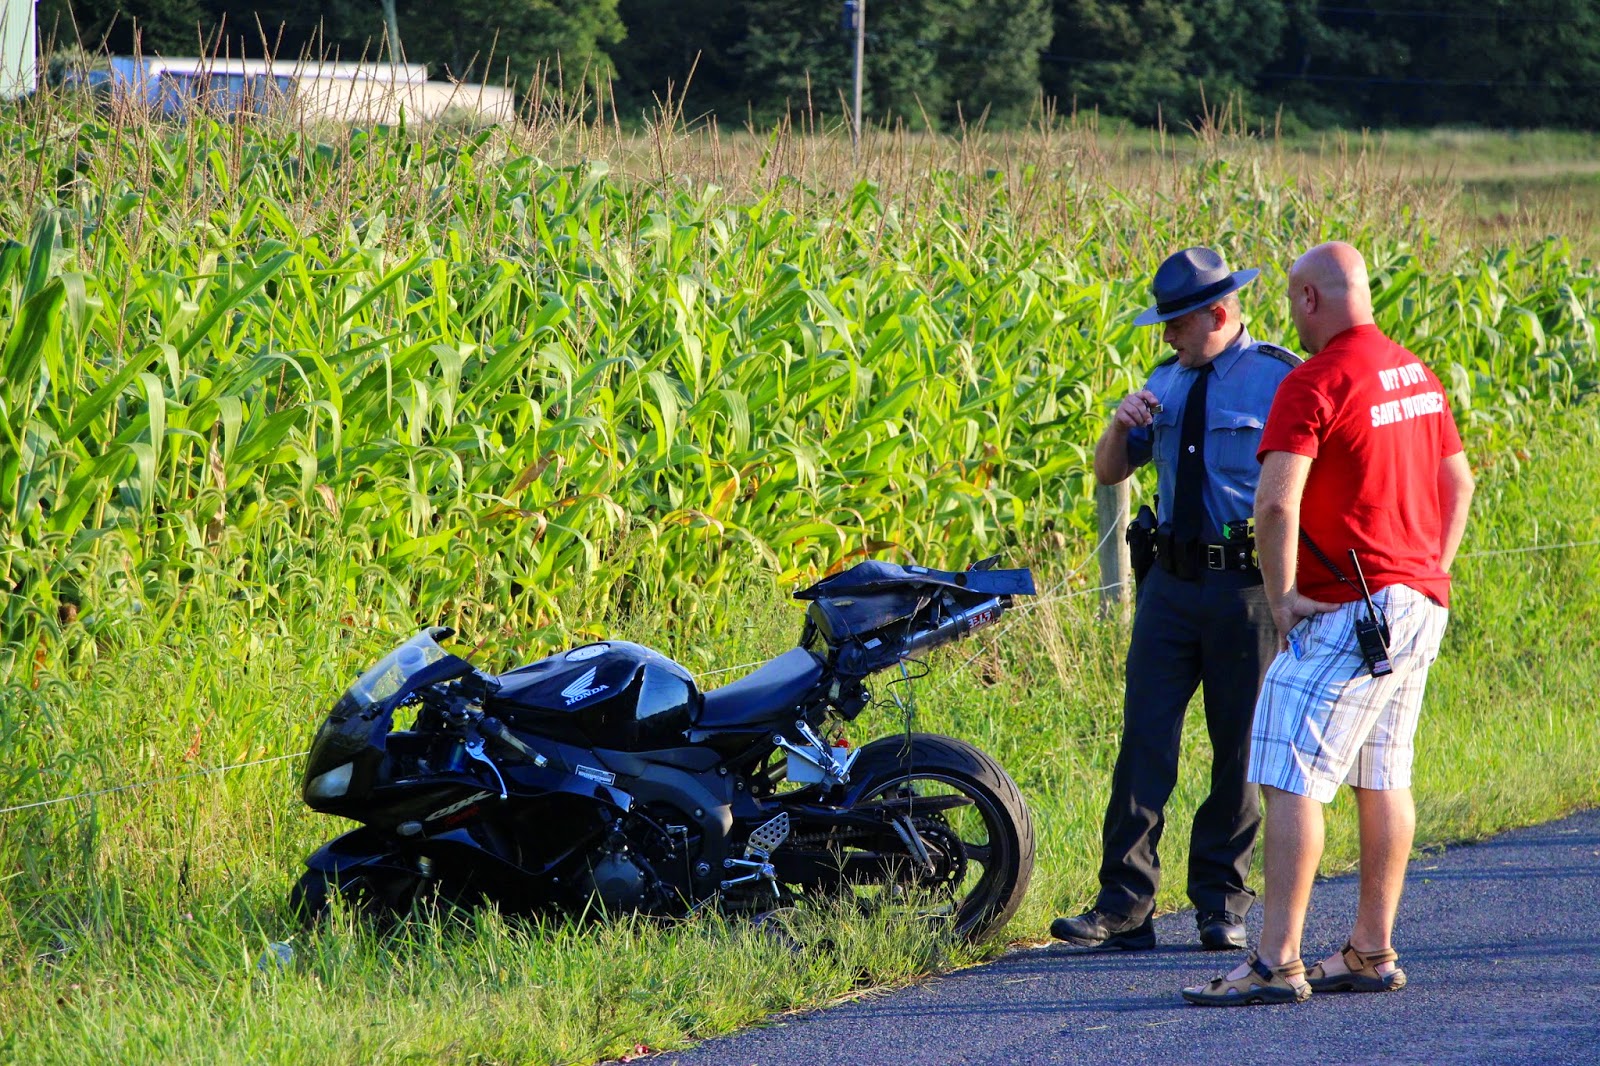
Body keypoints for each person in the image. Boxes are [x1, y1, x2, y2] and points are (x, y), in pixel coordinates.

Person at [1182, 241, 1474, 1006]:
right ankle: (1371, 949)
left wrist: (1280, 599)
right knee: (1384, 773)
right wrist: (1430, 567)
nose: (1291, 320)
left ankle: (1276, 959)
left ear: (1310, 300)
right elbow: (1459, 480)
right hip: (1418, 602)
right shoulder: (1415, 372)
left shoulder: (1313, 381)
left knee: (1289, 774)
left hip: (1351, 606)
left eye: (1292, 304)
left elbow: (1275, 502)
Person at [1052, 247, 1300, 952]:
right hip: (1169, 585)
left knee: (1239, 748)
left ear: (1219, 314)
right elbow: (1108, 470)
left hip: (1245, 589)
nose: (1166, 336)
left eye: (1177, 323)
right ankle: (1125, 903)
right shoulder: (1164, 383)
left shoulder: (1277, 382)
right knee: (1144, 741)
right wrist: (1117, 422)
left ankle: (1222, 900)